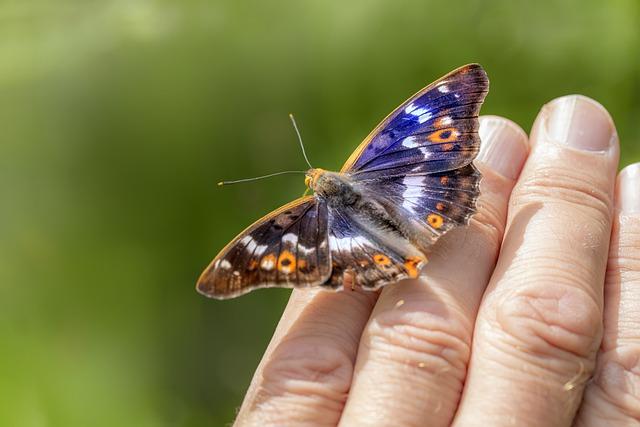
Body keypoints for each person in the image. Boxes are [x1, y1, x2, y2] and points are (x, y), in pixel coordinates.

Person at [234, 95, 639, 426]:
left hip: (363, 236)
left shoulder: (297, 218)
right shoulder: (367, 159)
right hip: (413, 198)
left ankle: (397, 256)